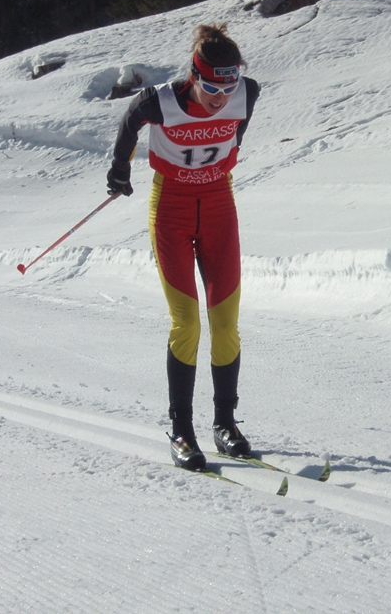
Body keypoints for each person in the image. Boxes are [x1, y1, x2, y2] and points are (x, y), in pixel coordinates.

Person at [107, 23, 260, 471]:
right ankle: (181, 430)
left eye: (227, 85)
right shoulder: (161, 101)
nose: (220, 95)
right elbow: (130, 119)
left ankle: (225, 423)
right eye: (211, 85)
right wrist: (120, 169)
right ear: (194, 74)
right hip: (171, 208)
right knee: (188, 322)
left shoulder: (245, 93)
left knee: (226, 322)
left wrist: (225, 146)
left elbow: (236, 127)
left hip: (217, 206)